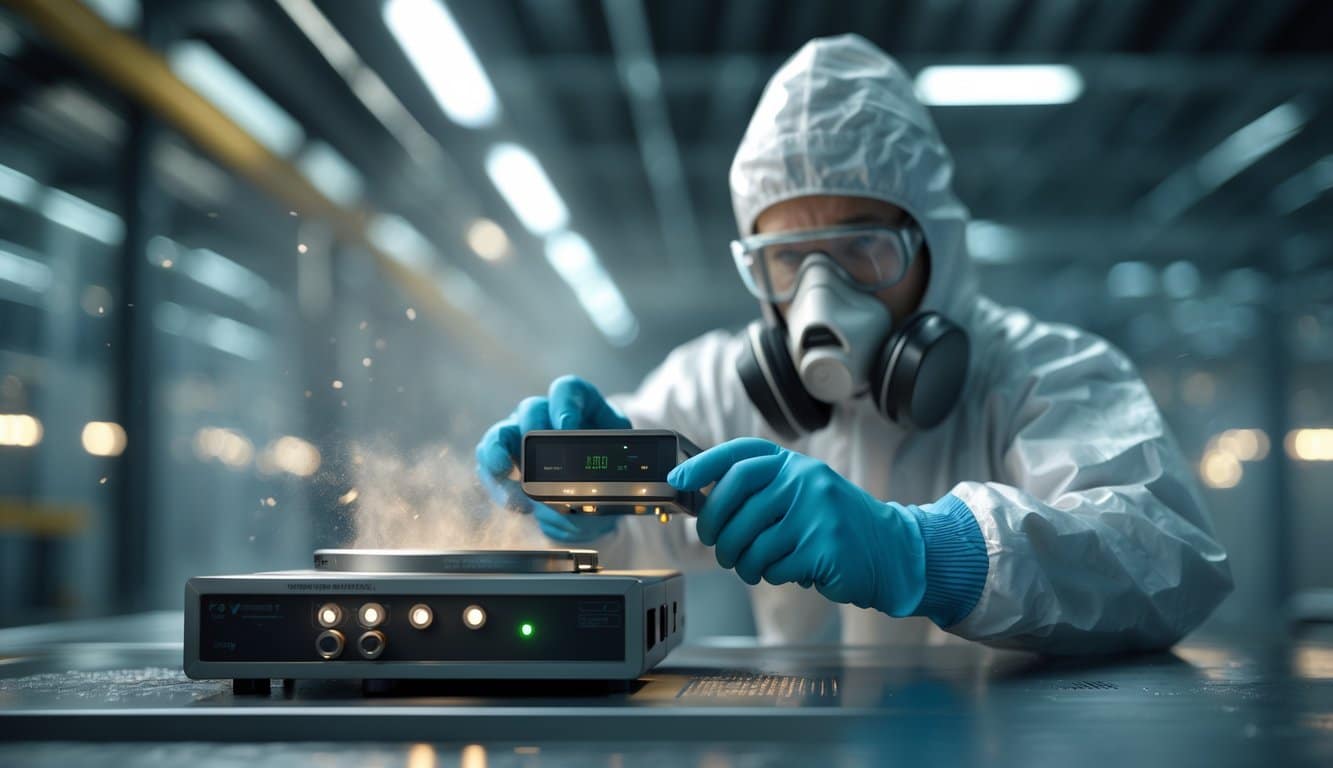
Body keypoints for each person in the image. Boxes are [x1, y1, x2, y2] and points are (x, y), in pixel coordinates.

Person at [476, 34, 1232, 654]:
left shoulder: (1049, 374)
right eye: (787, 260)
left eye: (863, 248)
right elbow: (625, 546)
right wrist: (580, 499)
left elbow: (1162, 558)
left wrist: (924, 552)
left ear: (934, 246)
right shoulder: (719, 386)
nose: (820, 296)